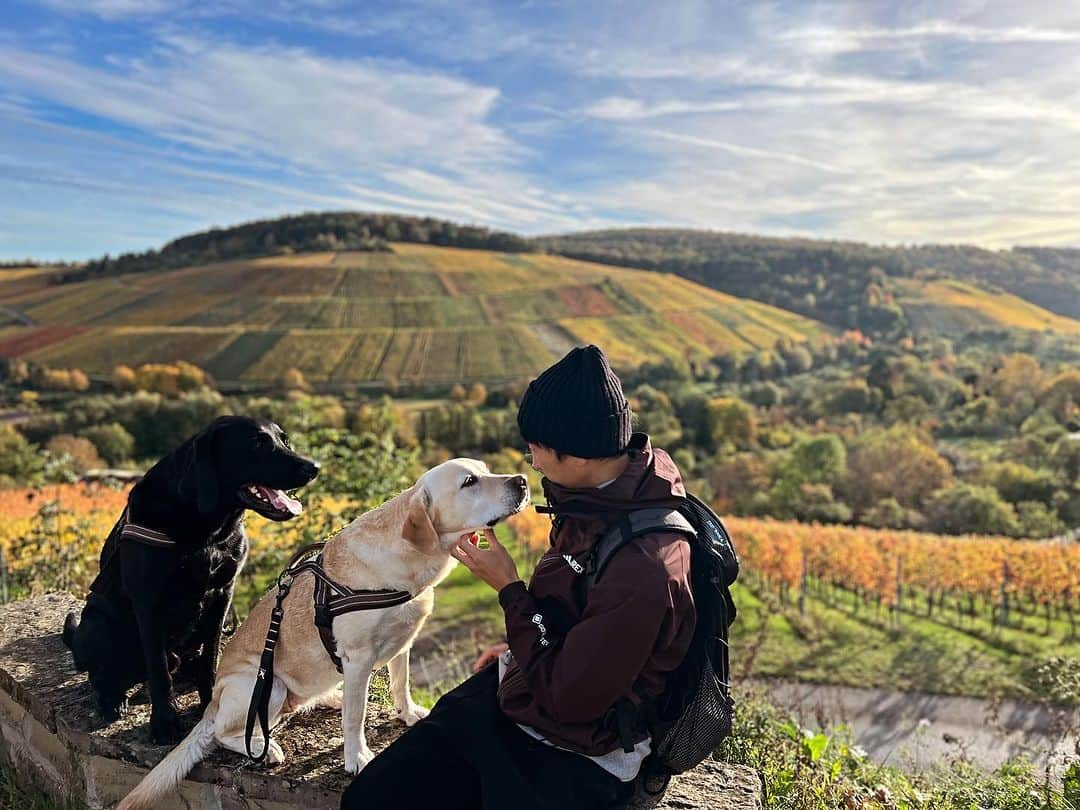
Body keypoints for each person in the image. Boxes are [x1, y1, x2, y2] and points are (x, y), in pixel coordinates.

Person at [340, 344, 696, 810]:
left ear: (579, 455)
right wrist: (521, 645)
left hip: (579, 748)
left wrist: (510, 590)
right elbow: (583, 618)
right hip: (529, 689)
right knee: (369, 799)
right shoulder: (595, 497)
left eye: (536, 449)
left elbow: (573, 700)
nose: (529, 461)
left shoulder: (646, 565)